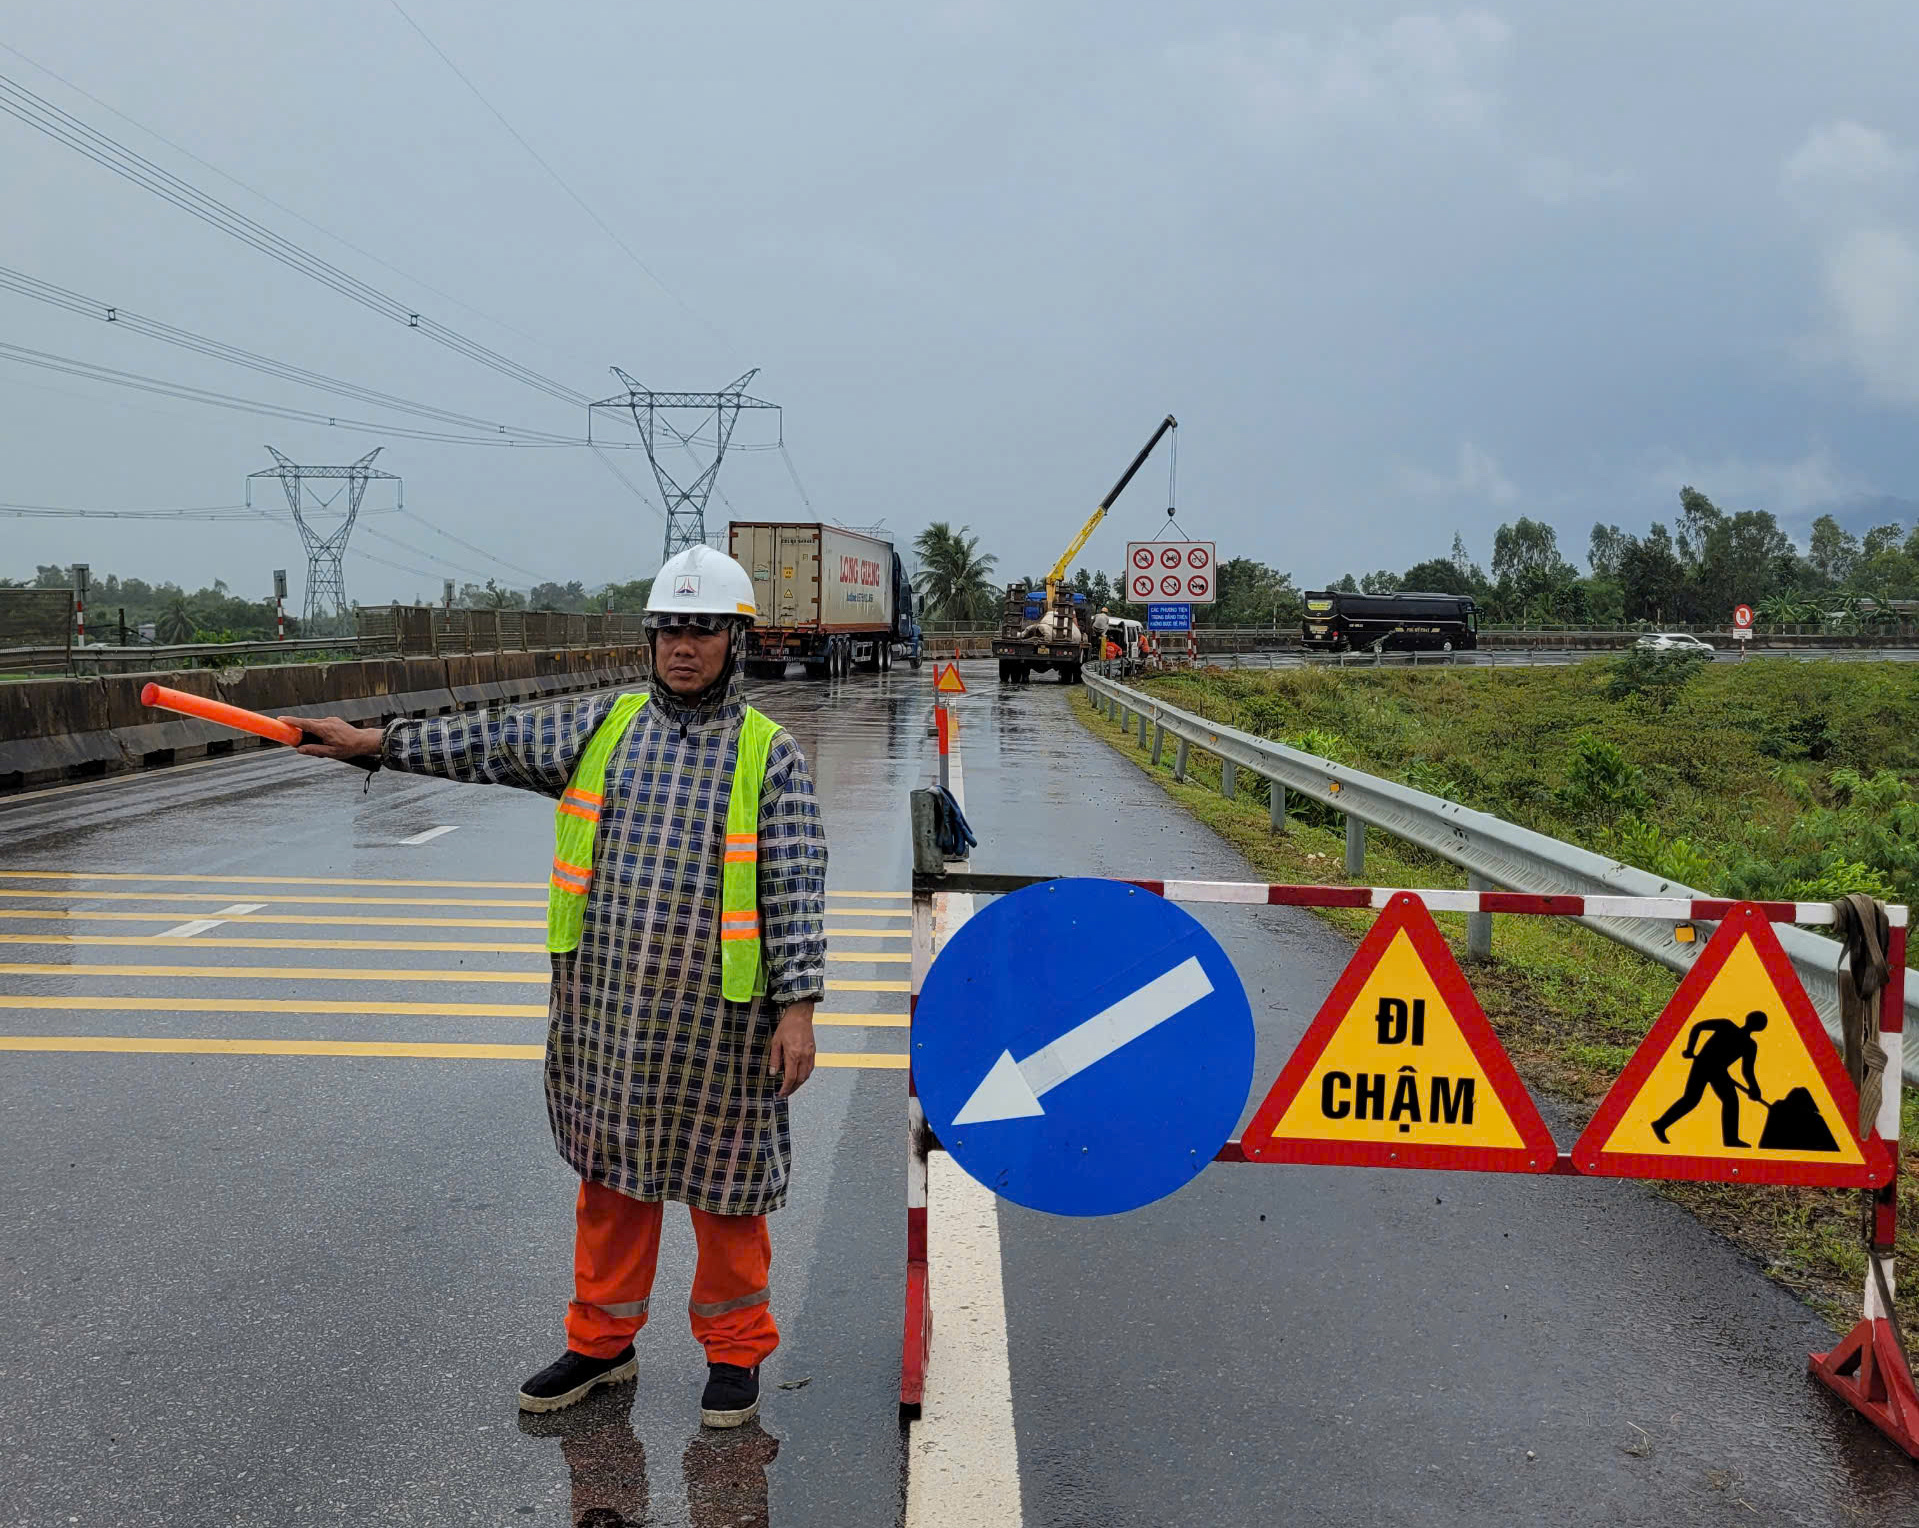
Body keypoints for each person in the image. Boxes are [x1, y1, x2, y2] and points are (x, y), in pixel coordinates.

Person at [285, 545, 826, 1428]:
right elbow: (488, 741)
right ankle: (600, 1343)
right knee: (611, 1186)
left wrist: (797, 1008)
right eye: (668, 630)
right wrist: (374, 744)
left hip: (721, 1025)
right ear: (650, 638)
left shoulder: (771, 757)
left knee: (727, 1197)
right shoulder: (601, 728)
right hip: (609, 1014)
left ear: (735, 640)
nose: (682, 646)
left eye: (702, 630)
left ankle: (735, 1356)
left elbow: (794, 886)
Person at [1651, 1010, 1767, 1147]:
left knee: (1730, 1101)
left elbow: (1747, 1070)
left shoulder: (1749, 1045)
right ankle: (1660, 1124)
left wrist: (1754, 1088)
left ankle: (1731, 1139)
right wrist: (1690, 1049)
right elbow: (1698, 1027)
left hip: (1719, 1071)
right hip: (1703, 1065)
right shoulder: (1727, 1026)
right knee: (1692, 1099)